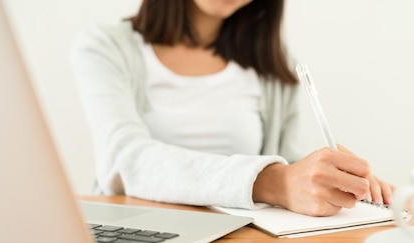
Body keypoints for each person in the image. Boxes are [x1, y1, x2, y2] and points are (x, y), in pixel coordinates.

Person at [71, 0, 394, 217]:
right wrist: (273, 182)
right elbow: (124, 160)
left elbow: (286, 158)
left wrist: (331, 179)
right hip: (139, 231)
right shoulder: (106, 47)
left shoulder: (271, 63)